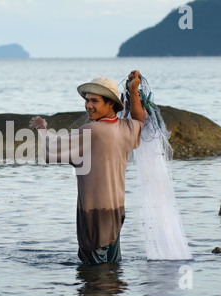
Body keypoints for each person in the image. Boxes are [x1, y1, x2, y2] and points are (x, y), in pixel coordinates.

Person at [29, 70, 145, 265]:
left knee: (94, 272)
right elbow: (140, 120)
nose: (88, 106)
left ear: (111, 104)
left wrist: (41, 127)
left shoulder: (92, 130)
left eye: (95, 101)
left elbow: (52, 150)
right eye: (87, 100)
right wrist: (134, 91)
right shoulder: (126, 128)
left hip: (94, 213)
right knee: (112, 266)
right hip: (116, 211)